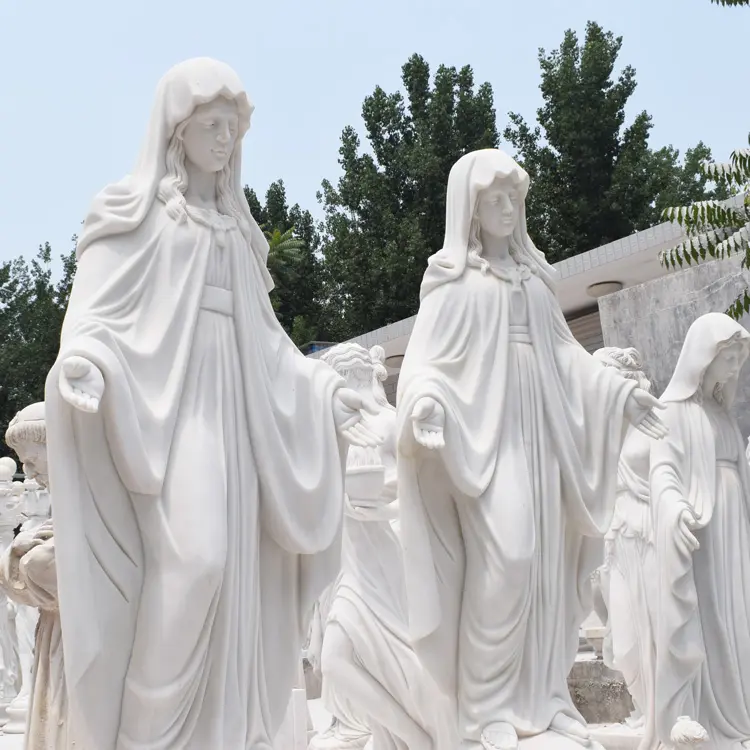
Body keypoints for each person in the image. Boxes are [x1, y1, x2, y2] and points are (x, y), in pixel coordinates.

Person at [44, 58, 375, 750]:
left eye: (233, 128)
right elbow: (91, 319)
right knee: (196, 563)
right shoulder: (132, 215)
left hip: (243, 414)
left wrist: (320, 388)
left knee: (243, 574)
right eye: (212, 125)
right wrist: (85, 363)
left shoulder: (238, 232)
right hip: (169, 411)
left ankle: (225, 733)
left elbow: (271, 342)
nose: (225, 140)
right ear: (177, 130)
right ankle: (143, 736)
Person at [396, 148, 666, 750]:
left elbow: (570, 359)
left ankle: (546, 697)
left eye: (514, 198)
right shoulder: (453, 284)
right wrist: (426, 402)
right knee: (509, 559)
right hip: (487, 442)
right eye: (494, 198)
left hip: (543, 437)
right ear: (470, 208)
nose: (507, 208)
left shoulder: (537, 283)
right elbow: (423, 365)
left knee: (546, 567)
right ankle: (485, 706)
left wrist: (619, 393)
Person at [651, 313, 750, 750]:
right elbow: (662, 470)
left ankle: (743, 705)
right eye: (729, 357)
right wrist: (674, 508)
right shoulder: (674, 412)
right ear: (704, 357)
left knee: (741, 614)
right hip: (705, 530)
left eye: (739, 359)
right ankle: (716, 711)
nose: (735, 367)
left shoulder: (722, 415)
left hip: (736, 527)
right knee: (714, 618)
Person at [592, 347, 658, 749]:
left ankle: (666, 710)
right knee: (627, 643)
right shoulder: (601, 437)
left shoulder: (655, 424)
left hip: (651, 534)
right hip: (615, 541)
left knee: (658, 631)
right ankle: (644, 707)